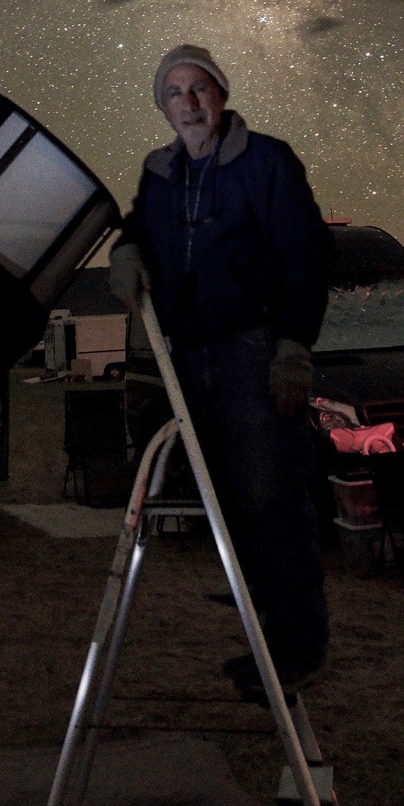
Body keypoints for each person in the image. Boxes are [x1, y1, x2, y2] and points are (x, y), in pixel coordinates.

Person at [108, 44, 333, 697]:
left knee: (269, 496)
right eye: (173, 92)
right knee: (227, 501)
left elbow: (304, 252)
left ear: (222, 94)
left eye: (198, 88)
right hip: (188, 353)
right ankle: (264, 646)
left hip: (251, 347)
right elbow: (138, 229)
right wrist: (126, 250)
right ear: (163, 108)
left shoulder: (266, 161)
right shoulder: (159, 174)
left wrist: (293, 345)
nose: (188, 103)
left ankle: (297, 648)